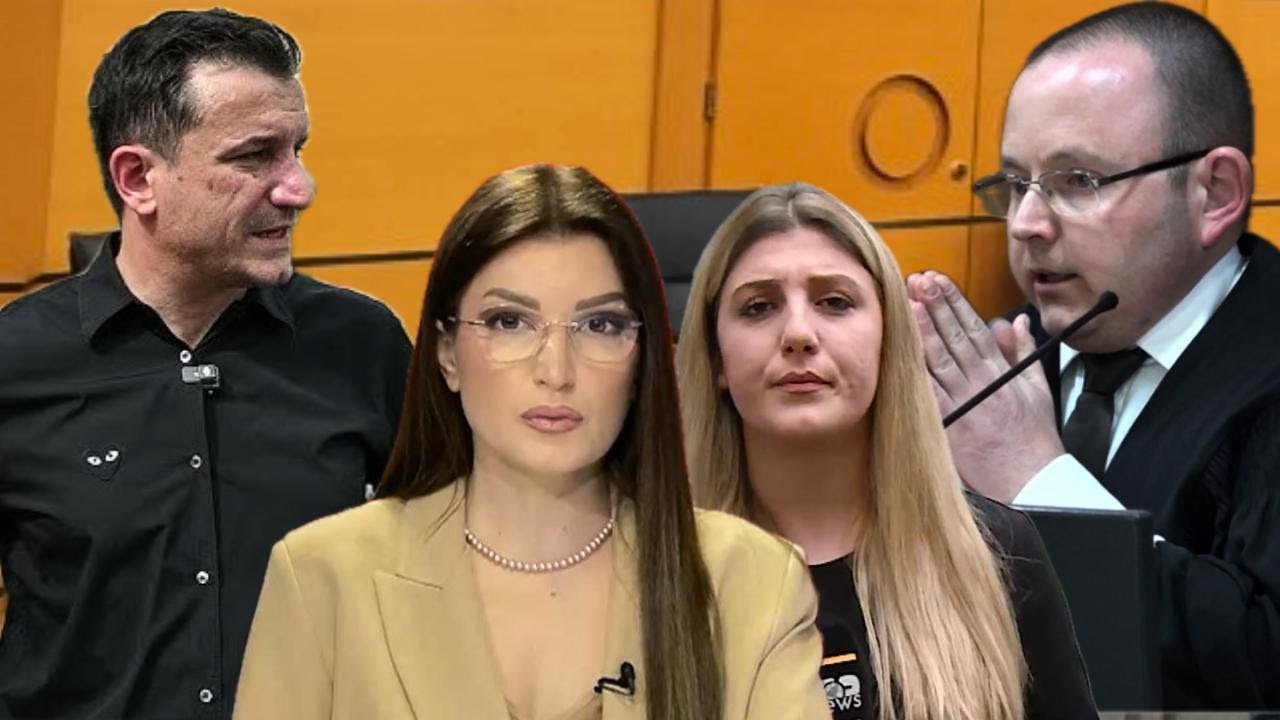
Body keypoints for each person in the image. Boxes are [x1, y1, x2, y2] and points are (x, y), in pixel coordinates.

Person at [233, 164, 827, 720]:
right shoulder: (323, 578)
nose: (556, 371)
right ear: (447, 354)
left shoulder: (753, 581)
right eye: (509, 322)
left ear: (642, 358)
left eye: (600, 325)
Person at [0, 10, 410, 718]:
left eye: (296, 150)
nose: (298, 187)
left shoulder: (361, 344)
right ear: (138, 178)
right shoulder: (15, 362)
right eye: (255, 156)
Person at [906, 2, 1280, 709]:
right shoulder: (995, 364)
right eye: (1015, 184)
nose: (1026, 225)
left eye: (1078, 181)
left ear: (1215, 193)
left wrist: (1035, 479)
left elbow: (1260, 658)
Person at [676, 183, 1097, 720]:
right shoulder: (649, 568)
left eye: (834, 302)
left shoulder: (996, 553)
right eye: (759, 307)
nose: (798, 334)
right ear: (716, 357)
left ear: (887, 340)